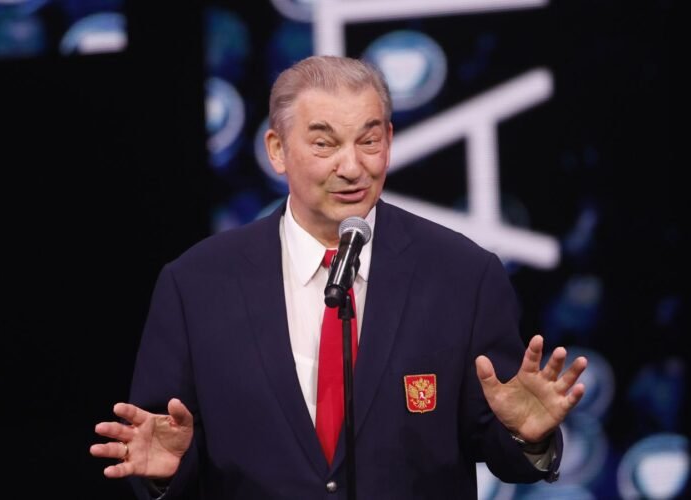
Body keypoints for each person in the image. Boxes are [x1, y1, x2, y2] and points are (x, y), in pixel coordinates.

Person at [90, 55, 587, 499]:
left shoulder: (464, 276)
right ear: (277, 150)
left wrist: (528, 437)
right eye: (324, 144)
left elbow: (500, 446)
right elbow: (163, 444)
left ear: (389, 141)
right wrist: (163, 474)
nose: (351, 167)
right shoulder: (196, 285)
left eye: (369, 141)